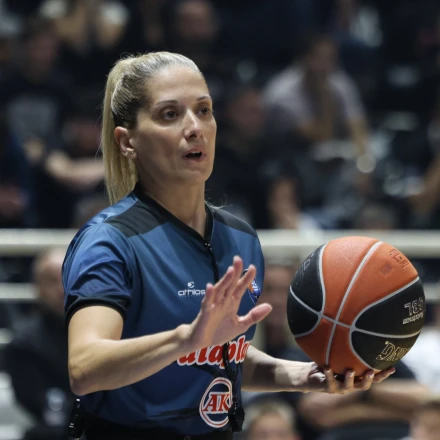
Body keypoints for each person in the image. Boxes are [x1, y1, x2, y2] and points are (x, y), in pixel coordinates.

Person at [63, 51, 395, 440]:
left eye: (204, 110)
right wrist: (186, 338)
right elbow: (84, 367)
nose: (194, 127)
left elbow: (222, 356)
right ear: (127, 141)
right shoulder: (109, 241)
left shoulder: (241, 238)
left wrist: (304, 375)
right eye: (170, 114)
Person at [4, 247, 74, 440]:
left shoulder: (106, 330)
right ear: (37, 287)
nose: (62, 289)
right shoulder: (24, 343)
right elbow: (46, 410)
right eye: (52, 281)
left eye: (68, 278)